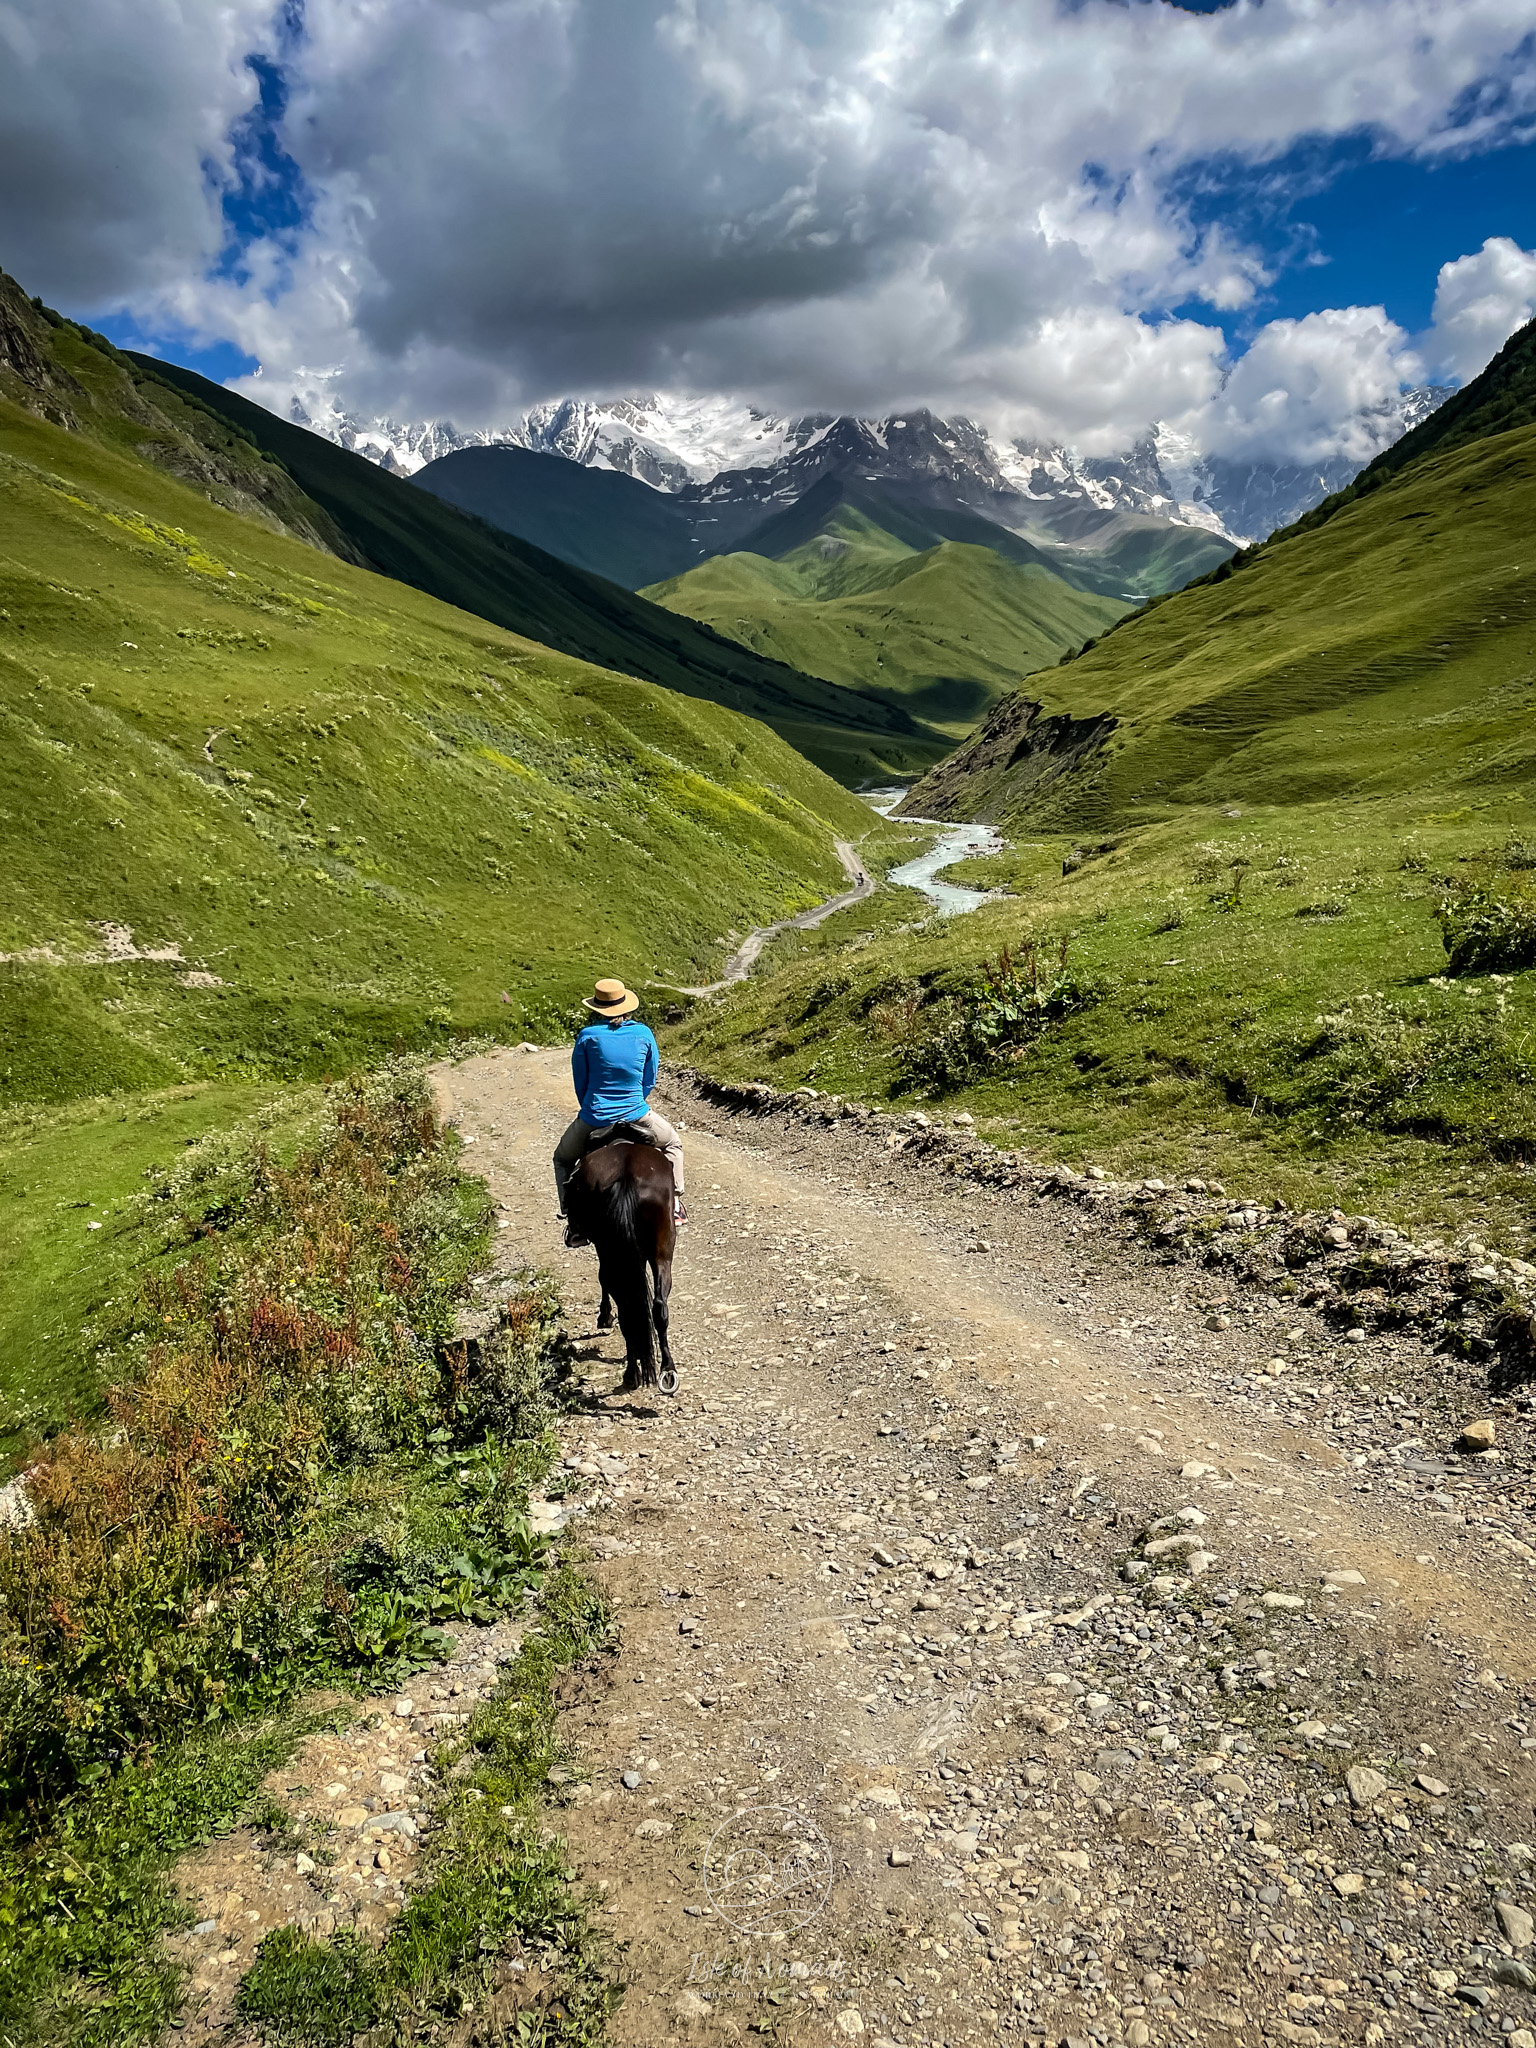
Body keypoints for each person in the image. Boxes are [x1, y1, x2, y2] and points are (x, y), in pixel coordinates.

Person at [553, 977, 686, 1245]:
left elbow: (581, 1083)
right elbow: (649, 1078)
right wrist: (634, 1100)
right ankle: (675, 1204)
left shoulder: (587, 1037)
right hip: (638, 1114)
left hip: (595, 1116)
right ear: (626, 1005)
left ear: (597, 1008)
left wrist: (593, 1108)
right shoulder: (644, 1034)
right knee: (673, 1143)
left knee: (562, 1159)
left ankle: (573, 1218)